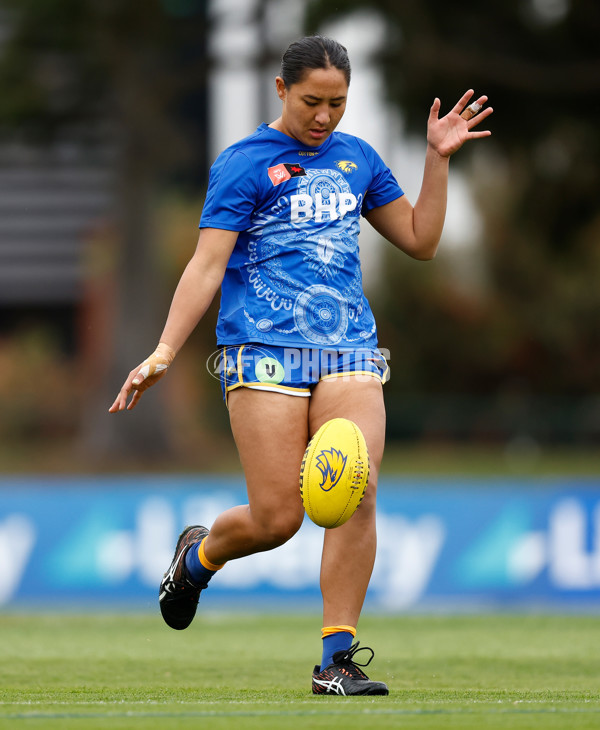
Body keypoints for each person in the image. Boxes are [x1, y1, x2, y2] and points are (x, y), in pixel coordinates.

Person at [109, 35, 492, 696]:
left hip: (349, 352)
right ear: (281, 91)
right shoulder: (243, 164)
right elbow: (206, 265)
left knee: (358, 488)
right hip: (261, 351)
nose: (324, 117)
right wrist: (165, 351)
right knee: (277, 519)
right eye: (312, 101)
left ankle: (336, 661)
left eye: (337, 103)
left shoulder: (358, 160)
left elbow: (422, 242)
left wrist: (437, 159)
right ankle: (197, 558)